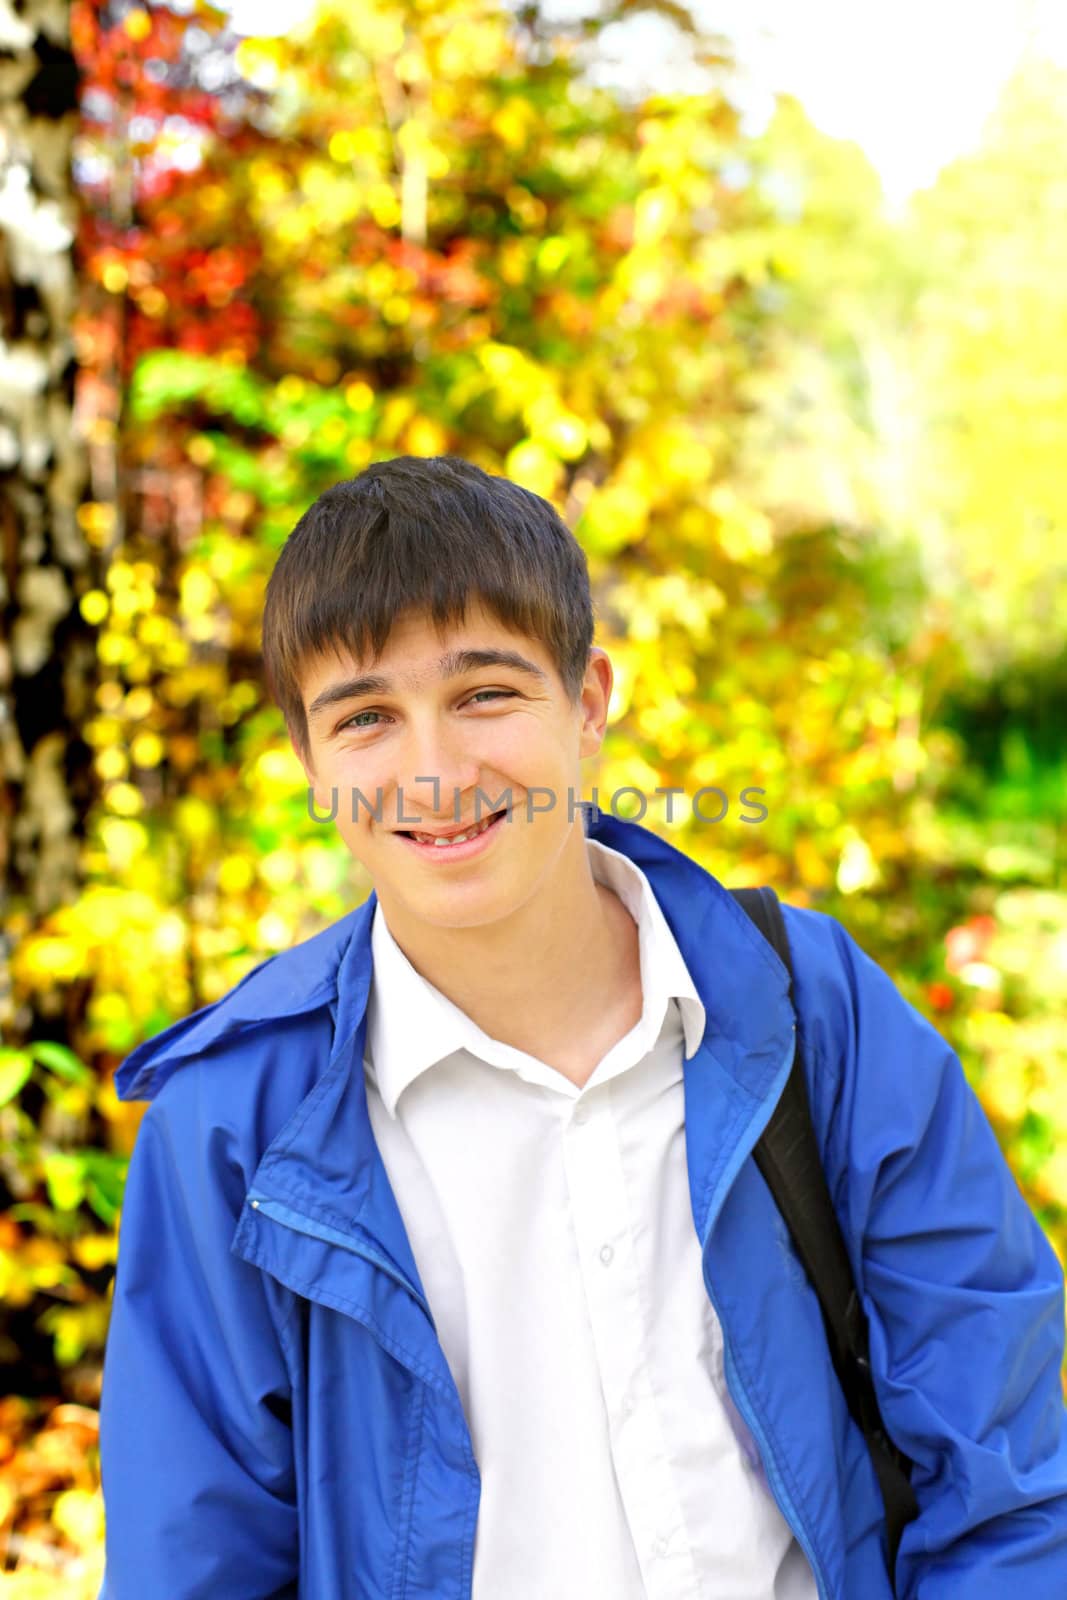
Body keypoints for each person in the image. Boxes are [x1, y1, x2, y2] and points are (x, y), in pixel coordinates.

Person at [96, 454, 1067, 1599]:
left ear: (589, 698)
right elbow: (191, 1565)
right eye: (364, 717)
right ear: (310, 765)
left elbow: (1003, 1475)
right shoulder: (236, 1123)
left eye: (484, 695)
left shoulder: (809, 1007)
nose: (433, 770)